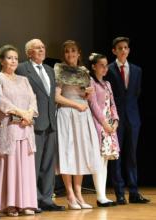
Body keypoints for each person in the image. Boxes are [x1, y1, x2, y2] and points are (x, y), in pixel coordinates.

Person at [15, 39, 65, 212]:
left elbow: (51, 96)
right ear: (29, 52)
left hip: (51, 122)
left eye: (43, 47)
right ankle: (33, 199)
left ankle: (46, 199)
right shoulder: (22, 68)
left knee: (48, 164)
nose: (42, 50)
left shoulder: (50, 70)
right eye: (37, 48)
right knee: (33, 164)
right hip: (33, 122)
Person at [0, 45, 38, 216]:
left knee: (25, 166)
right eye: (9, 58)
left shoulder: (23, 79)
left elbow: (33, 99)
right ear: (1, 60)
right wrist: (21, 113)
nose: (13, 61)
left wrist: (29, 114)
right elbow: (0, 101)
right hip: (8, 128)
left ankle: (26, 203)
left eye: (16, 58)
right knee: (10, 166)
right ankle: (9, 203)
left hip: (25, 128)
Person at [54, 40, 101, 210]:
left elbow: (85, 95)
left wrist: (88, 94)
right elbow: (57, 97)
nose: (70, 54)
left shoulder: (83, 71)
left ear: (79, 53)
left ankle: (79, 194)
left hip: (82, 115)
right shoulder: (60, 69)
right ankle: (70, 194)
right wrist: (77, 104)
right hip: (67, 113)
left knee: (80, 153)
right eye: (67, 51)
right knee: (68, 153)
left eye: (73, 51)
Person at [104, 36, 150, 205]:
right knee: (117, 155)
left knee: (132, 155)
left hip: (133, 117)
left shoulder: (137, 70)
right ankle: (119, 193)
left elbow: (136, 93)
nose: (123, 50)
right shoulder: (108, 69)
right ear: (114, 51)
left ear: (129, 50)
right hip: (116, 119)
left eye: (125, 47)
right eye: (120, 48)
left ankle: (134, 192)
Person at [87, 53, 120, 207]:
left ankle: (103, 196)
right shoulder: (91, 82)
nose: (105, 68)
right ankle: (100, 196)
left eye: (106, 65)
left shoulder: (107, 84)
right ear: (94, 66)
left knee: (105, 161)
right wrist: (104, 124)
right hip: (99, 125)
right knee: (99, 161)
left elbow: (112, 104)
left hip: (109, 126)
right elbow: (93, 104)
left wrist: (115, 121)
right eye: (102, 65)